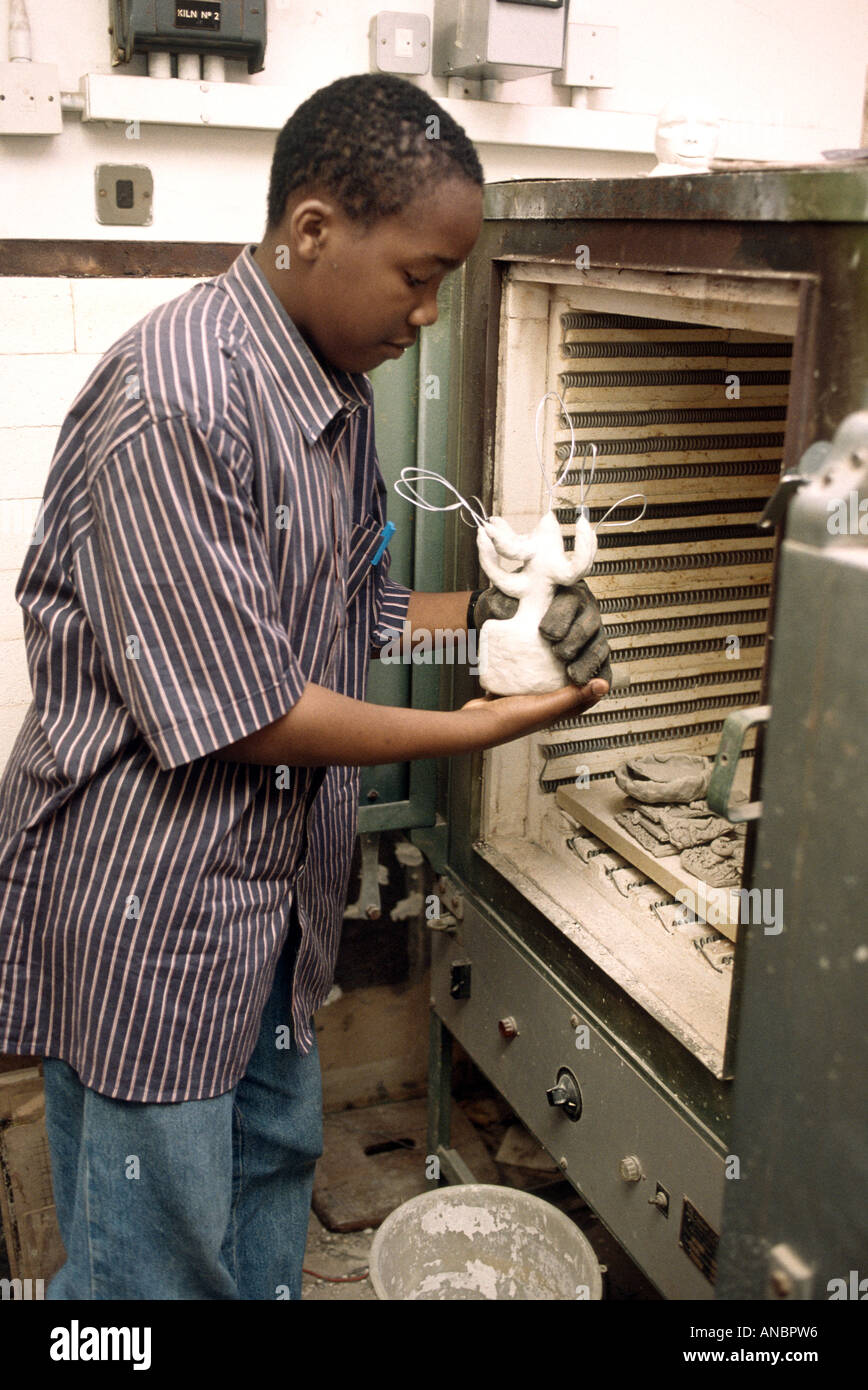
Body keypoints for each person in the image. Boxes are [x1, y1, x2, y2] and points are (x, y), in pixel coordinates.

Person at [0, 73, 610, 1300]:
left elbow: (354, 616)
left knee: (270, 1182)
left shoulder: (329, 392)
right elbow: (251, 712)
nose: (430, 314)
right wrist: (492, 723)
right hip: (150, 925)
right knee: (149, 1267)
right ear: (316, 229)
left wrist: (501, 625)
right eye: (419, 276)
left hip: (268, 919)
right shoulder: (177, 399)